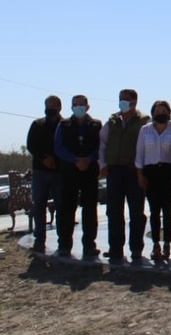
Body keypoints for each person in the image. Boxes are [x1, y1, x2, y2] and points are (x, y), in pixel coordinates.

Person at [99, 88, 150, 263]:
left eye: (126, 99)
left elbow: (146, 147)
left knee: (136, 212)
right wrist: (102, 164)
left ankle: (136, 248)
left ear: (135, 101)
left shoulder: (144, 121)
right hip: (114, 171)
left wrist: (141, 170)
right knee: (113, 211)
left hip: (134, 171)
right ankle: (115, 249)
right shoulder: (112, 120)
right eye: (120, 98)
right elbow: (103, 143)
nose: (122, 102)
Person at [53, 95, 102, 260]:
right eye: (75, 104)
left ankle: (89, 246)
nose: (78, 107)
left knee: (89, 210)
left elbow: (100, 147)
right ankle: (64, 245)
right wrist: (75, 160)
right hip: (69, 172)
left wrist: (88, 159)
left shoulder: (96, 125)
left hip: (89, 171)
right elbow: (58, 147)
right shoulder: (64, 125)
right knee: (66, 209)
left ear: (88, 107)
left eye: (81, 104)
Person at [135, 100, 171, 262]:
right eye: (157, 110)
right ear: (153, 113)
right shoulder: (145, 131)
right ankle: (155, 244)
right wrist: (140, 174)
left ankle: (167, 243)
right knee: (154, 211)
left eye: (163, 110)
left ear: (168, 112)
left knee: (168, 210)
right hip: (151, 173)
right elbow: (139, 154)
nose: (160, 113)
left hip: (169, 172)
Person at [26, 95, 64, 254]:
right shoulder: (37, 124)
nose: (50, 108)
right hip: (41, 171)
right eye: (47, 105)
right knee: (39, 206)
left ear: (59, 107)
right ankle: (39, 240)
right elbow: (31, 145)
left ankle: (64, 241)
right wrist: (44, 158)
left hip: (59, 171)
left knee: (62, 206)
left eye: (53, 105)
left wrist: (55, 160)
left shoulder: (65, 125)